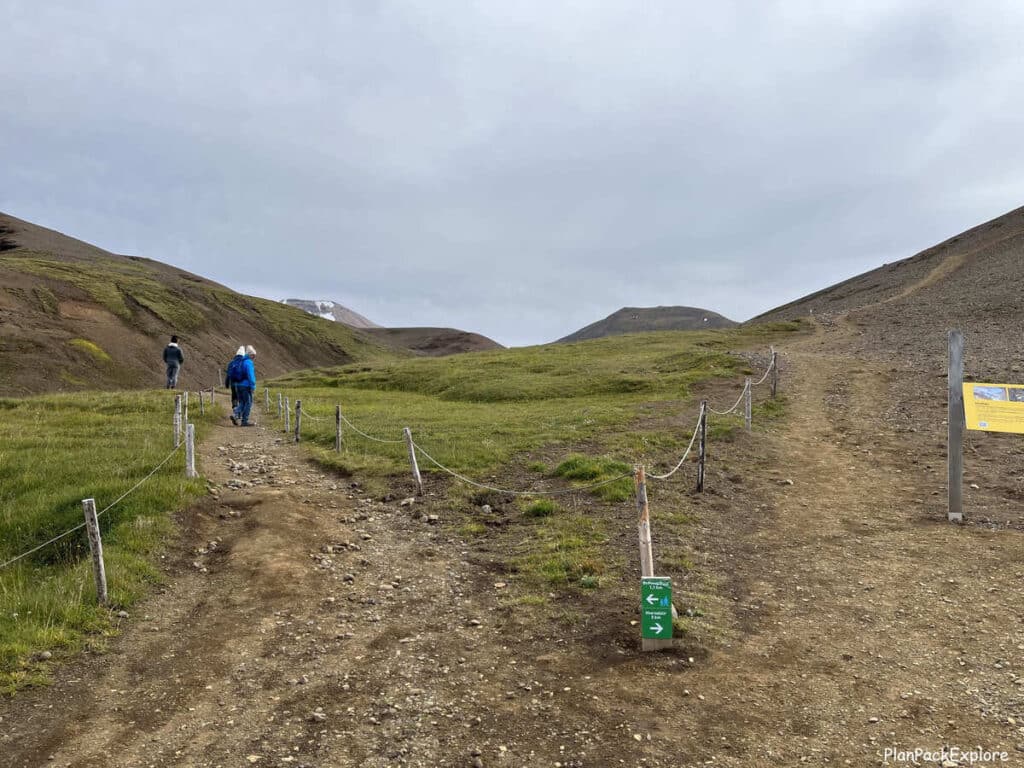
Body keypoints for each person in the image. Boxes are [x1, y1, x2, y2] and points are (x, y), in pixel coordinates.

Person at [235, 345, 257, 427]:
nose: (254, 357)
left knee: (242, 402)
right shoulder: (248, 362)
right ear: (250, 355)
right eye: (253, 356)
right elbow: (250, 375)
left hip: (239, 385)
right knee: (248, 403)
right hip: (246, 386)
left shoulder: (240, 361)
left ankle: (235, 415)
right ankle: (244, 421)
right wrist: (253, 386)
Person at [224, 346, 246, 423]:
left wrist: (226, 384)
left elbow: (228, 375)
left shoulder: (231, 363)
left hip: (233, 385)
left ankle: (235, 411)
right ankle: (238, 415)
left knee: (234, 398)